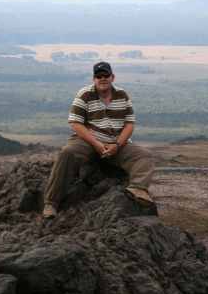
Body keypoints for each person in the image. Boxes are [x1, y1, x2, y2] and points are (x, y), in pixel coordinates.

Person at [42, 61, 154, 218]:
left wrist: (117, 144)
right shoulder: (85, 94)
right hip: (89, 141)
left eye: (105, 75)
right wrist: (96, 144)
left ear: (112, 77)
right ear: (93, 78)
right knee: (67, 153)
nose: (102, 79)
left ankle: (138, 188)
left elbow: (129, 123)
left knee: (144, 155)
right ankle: (51, 203)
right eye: (98, 76)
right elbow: (75, 122)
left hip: (116, 143)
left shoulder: (122, 95)